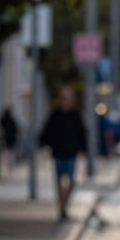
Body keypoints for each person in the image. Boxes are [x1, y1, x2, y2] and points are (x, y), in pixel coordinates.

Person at [40, 86, 87, 220]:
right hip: (58, 152)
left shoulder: (75, 115)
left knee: (71, 182)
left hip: (71, 152)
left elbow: (82, 133)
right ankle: (61, 208)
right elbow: (46, 132)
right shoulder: (55, 115)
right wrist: (46, 145)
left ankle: (64, 205)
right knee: (59, 181)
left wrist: (83, 150)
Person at [0, 107, 19, 173]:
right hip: (11, 139)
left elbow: (0, 127)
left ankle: (5, 165)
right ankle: (10, 166)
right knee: (10, 153)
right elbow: (15, 129)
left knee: (5, 153)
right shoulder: (12, 120)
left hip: (5, 138)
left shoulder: (3, 119)